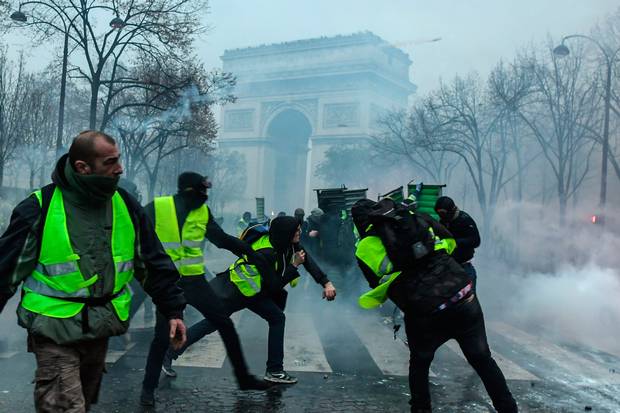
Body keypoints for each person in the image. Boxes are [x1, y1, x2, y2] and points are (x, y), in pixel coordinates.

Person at [0, 130, 188, 413]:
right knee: (67, 408)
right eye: (110, 162)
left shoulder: (124, 204)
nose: (120, 168)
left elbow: (152, 262)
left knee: (82, 405)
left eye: (119, 159)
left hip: (100, 328)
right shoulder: (39, 207)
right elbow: (5, 270)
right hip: (53, 330)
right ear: (82, 167)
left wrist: (173, 310)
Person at [351, 199, 517, 413]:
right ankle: (509, 408)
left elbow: (376, 285)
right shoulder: (417, 218)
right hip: (462, 296)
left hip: (425, 311)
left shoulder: (364, 247)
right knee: (483, 361)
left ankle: (421, 409)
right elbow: (450, 242)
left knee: (420, 364)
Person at [141, 171, 270, 406]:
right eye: (203, 190)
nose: (206, 195)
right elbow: (138, 240)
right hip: (167, 284)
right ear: (190, 190)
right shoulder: (157, 207)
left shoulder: (201, 211)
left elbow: (220, 239)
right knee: (161, 337)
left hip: (194, 281)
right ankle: (147, 390)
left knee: (225, 323)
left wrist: (250, 252)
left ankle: (243, 378)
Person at [163, 216, 337, 384]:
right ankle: (168, 353)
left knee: (275, 318)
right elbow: (274, 285)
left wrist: (326, 283)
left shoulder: (286, 243)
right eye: (296, 231)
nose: (300, 233)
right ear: (285, 233)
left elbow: (308, 260)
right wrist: (293, 266)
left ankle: (275, 370)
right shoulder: (267, 253)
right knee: (214, 323)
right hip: (235, 293)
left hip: (253, 292)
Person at [434, 196, 481, 290]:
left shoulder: (464, 220)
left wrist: (455, 242)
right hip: (449, 267)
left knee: (468, 299)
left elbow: (476, 241)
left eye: (442, 213)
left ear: (451, 210)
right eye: (438, 213)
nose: (440, 216)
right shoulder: (443, 222)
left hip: (464, 268)